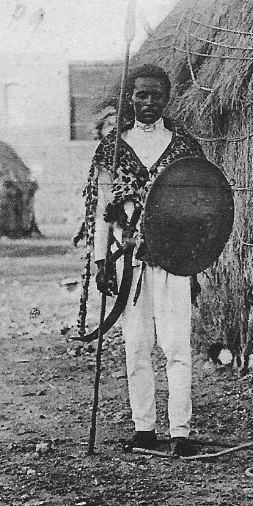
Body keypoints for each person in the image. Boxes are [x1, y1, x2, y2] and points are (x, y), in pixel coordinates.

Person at [76, 64, 205, 456]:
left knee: (177, 346)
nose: (148, 103)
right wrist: (100, 261)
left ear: (168, 99)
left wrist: (182, 246)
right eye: (140, 95)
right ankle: (144, 427)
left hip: (173, 260)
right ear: (129, 97)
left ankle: (180, 431)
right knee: (136, 345)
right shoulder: (112, 149)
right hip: (127, 261)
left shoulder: (185, 148)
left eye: (156, 96)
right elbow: (101, 209)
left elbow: (202, 207)